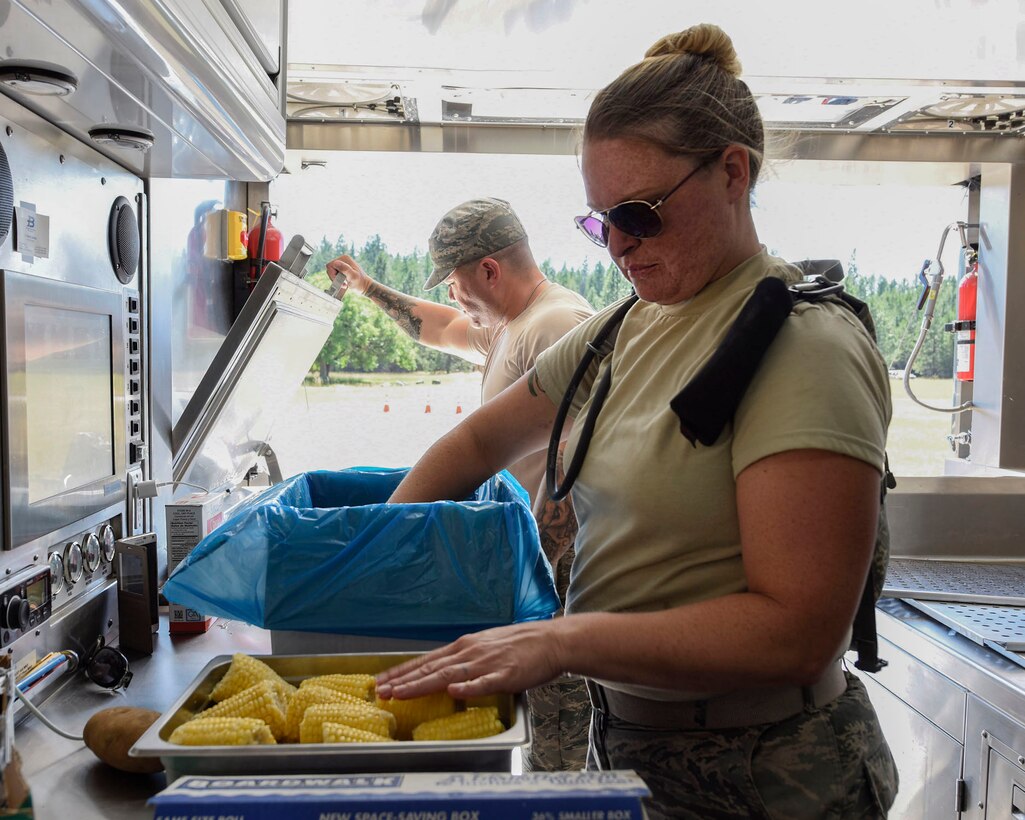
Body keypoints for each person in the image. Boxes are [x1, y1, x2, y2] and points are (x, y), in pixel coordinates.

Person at [373, 24, 899, 819]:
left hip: (766, 772)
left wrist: (560, 641)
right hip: (626, 740)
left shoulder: (799, 345)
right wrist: (375, 553)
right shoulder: (625, 326)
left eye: (639, 214)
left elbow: (795, 631)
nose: (617, 245)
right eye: (598, 220)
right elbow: (484, 438)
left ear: (732, 174)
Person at [326, 198, 594, 772]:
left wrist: (536, 567)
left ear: (489, 271)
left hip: (558, 569)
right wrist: (368, 288)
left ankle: (562, 805)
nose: (453, 296)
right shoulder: (512, 324)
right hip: (532, 561)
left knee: (559, 715)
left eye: (455, 281)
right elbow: (444, 327)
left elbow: (579, 464)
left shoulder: (555, 326)